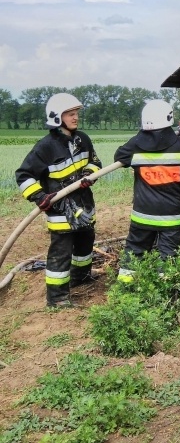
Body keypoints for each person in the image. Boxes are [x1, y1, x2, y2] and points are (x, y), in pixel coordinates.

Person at [15, 93, 103, 308]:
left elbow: (96, 162)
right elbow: (23, 175)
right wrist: (39, 197)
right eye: (70, 114)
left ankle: (80, 277)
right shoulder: (45, 147)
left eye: (76, 114)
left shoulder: (83, 139)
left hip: (84, 205)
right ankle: (57, 298)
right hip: (60, 211)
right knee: (61, 253)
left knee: (85, 242)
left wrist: (88, 175)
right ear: (57, 117)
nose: (76, 118)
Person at [114, 100, 180, 282]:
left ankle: (125, 291)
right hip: (173, 215)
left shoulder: (136, 146)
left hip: (143, 213)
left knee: (135, 251)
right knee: (168, 254)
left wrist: (141, 142)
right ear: (169, 118)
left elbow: (119, 156)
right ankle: (165, 291)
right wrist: (177, 139)